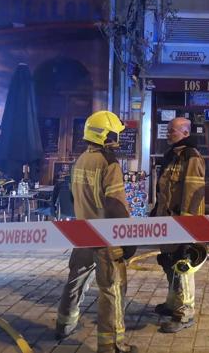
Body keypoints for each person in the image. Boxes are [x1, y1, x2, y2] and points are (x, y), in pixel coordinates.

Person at [55, 110, 137, 353]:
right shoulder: (109, 163)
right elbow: (115, 204)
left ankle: (64, 324)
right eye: (114, 134)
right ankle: (111, 344)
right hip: (105, 237)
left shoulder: (80, 160)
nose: (118, 139)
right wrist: (128, 239)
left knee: (75, 279)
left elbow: (72, 197)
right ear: (105, 134)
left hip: (82, 232)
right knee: (111, 289)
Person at [152, 117, 206, 333]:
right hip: (167, 220)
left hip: (182, 222)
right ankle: (173, 304)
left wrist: (187, 225)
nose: (167, 133)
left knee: (183, 265)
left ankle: (185, 313)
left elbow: (194, 193)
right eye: (167, 129)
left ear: (185, 132)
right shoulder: (173, 155)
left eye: (172, 130)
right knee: (168, 261)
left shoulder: (190, 157)